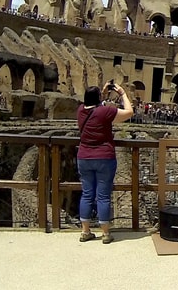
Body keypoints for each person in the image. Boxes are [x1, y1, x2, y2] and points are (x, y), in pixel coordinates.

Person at [77, 82, 133, 244]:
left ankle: (85, 231)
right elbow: (129, 112)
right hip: (104, 157)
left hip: (84, 157)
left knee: (87, 194)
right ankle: (105, 233)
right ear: (99, 98)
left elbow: (94, 105)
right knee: (103, 196)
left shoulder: (80, 110)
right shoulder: (105, 112)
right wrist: (122, 94)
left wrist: (101, 93)